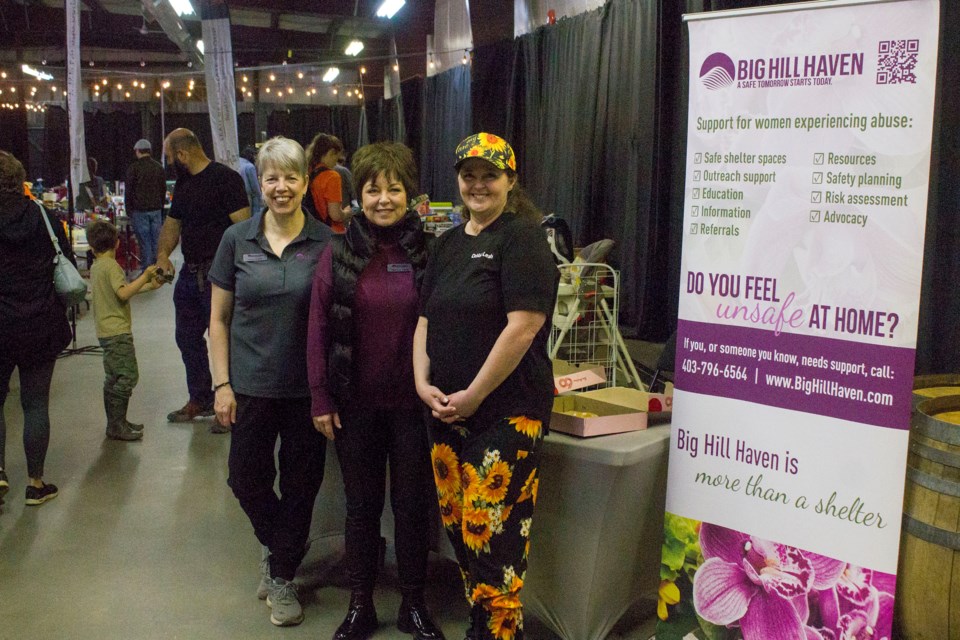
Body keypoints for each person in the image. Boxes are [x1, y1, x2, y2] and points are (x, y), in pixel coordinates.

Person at [412, 133, 558, 640]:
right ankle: (483, 622)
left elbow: (523, 327)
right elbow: (425, 320)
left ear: (510, 181)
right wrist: (421, 382)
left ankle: (499, 630)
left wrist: (473, 396)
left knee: (492, 531)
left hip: (507, 413)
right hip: (445, 411)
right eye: (469, 175)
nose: (478, 185)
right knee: (462, 528)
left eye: (489, 175)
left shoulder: (523, 239)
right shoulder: (448, 244)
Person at [307, 142, 444, 640]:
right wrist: (321, 396)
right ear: (357, 196)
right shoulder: (338, 252)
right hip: (354, 406)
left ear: (410, 194)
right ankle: (360, 604)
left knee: (412, 506)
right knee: (361, 507)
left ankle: (413, 604)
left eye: (394, 188)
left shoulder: (430, 252)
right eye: (373, 189)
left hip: (414, 406)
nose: (384, 199)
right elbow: (318, 326)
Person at [208, 136, 332, 627]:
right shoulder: (236, 241)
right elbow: (218, 320)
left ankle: (280, 575)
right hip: (251, 386)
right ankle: (280, 548)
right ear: (260, 183)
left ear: (305, 181)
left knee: (303, 485)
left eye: (291, 177)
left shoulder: (326, 242)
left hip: (308, 390)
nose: (282, 187)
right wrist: (221, 384)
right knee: (245, 478)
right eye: (272, 178)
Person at [156, 128, 250, 426]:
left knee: (226, 339)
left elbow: (244, 226)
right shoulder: (183, 185)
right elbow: (173, 224)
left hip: (219, 275)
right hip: (190, 272)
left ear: (182, 154)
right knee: (186, 338)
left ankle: (231, 405)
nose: (170, 162)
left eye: (170, 157)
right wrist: (162, 257)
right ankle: (201, 399)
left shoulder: (226, 179)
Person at [0, 150, 73, 506]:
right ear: (20, 181)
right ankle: (36, 483)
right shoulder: (44, 216)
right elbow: (68, 265)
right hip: (39, 323)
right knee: (35, 404)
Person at [86, 219, 166, 442]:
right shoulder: (112, 266)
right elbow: (122, 294)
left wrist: (149, 285)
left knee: (113, 377)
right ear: (118, 244)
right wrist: (145, 276)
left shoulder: (96, 266)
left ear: (92, 247)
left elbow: (119, 292)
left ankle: (116, 421)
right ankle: (117, 424)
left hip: (104, 331)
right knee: (128, 376)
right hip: (118, 332)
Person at [124, 139, 167, 271]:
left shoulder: (133, 168)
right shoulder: (158, 167)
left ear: (137, 151)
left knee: (144, 242)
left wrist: (128, 209)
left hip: (139, 211)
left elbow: (129, 191)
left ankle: (147, 272)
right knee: (156, 242)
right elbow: (163, 189)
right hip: (156, 210)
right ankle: (157, 268)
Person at [305, 133, 351, 233]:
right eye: (336, 158)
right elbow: (335, 215)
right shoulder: (332, 176)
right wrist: (347, 212)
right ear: (331, 152)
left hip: (312, 231)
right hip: (332, 233)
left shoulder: (307, 172)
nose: (336, 163)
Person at [239, 144, 264, 217]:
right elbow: (255, 187)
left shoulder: (237, 162)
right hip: (249, 195)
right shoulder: (249, 166)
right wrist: (260, 197)